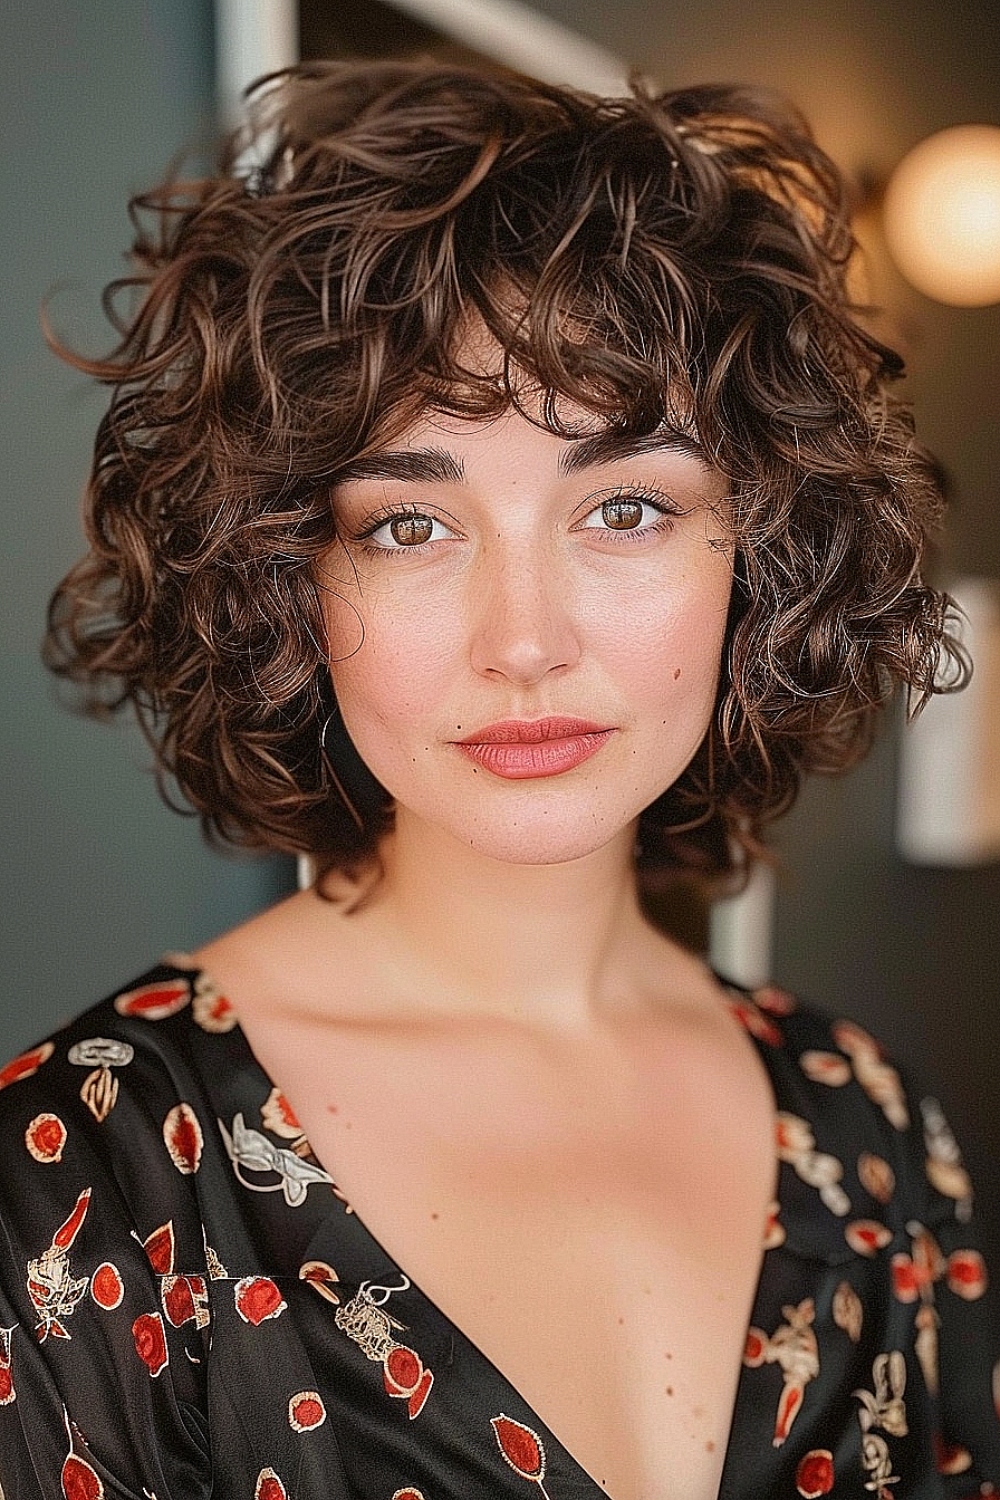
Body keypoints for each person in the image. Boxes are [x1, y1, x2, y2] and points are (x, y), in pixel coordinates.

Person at [0, 57, 996, 1500]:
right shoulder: (81, 1183)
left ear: (758, 555)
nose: (523, 641)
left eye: (629, 507)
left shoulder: (872, 1128)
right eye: (410, 526)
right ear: (291, 580)